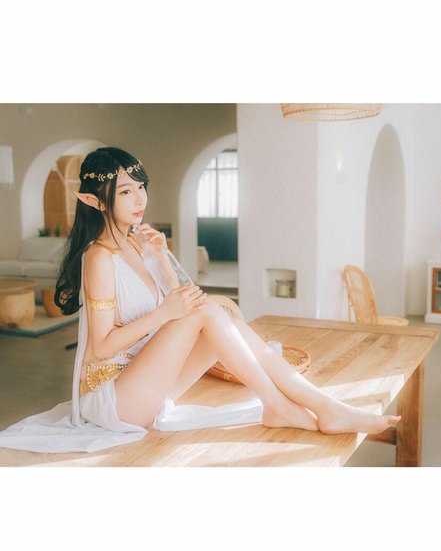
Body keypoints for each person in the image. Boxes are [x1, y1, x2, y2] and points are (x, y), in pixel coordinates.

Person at [0, 147, 399, 454]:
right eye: (125, 191)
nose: (139, 199)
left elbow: (190, 302)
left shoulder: (139, 245)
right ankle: (285, 405)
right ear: (95, 201)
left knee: (217, 312)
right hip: (113, 398)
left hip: (146, 382)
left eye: (140, 187)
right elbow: (101, 347)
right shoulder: (98, 257)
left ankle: (318, 403)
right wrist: (164, 313)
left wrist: (161, 259)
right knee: (205, 310)